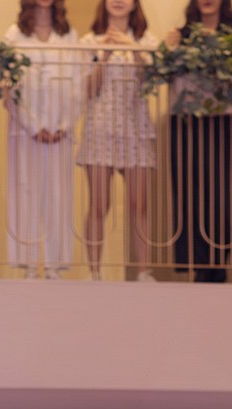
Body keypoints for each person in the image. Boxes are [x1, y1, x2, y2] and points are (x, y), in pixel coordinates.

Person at [167, 0, 232, 283]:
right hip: (187, 123)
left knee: (218, 193)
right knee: (188, 191)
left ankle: (217, 263)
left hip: (221, 123)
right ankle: (197, 263)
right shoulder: (184, 34)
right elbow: (168, 74)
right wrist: (170, 50)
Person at [78, 0, 158, 280]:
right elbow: (89, 90)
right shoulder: (90, 41)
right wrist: (105, 55)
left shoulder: (146, 40)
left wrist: (132, 48)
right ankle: (94, 273)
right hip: (100, 128)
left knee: (140, 204)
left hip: (136, 128)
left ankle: (144, 271)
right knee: (99, 204)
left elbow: (150, 83)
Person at [2, 1, 84, 277]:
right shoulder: (14, 35)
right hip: (25, 131)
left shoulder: (69, 35)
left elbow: (78, 85)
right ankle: (28, 264)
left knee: (59, 195)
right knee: (25, 190)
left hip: (61, 133)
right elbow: (10, 87)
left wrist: (64, 124)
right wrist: (33, 125)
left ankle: (54, 265)